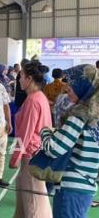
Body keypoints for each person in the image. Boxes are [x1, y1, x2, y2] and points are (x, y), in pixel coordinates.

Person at [40, 64, 99, 218]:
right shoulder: (95, 115)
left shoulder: (80, 115)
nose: (67, 89)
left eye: (72, 85)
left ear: (83, 86)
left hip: (72, 188)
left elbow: (53, 148)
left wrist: (46, 131)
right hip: (87, 185)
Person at [9, 60, 53, 218]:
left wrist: (15, 157)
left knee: (33, 203)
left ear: (29, 79)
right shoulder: (39, 97)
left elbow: (26, 133)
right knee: (25, 200)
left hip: (31, 156)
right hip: (36, 154)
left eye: (21, 76)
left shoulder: (33, 100)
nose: (19, 79)